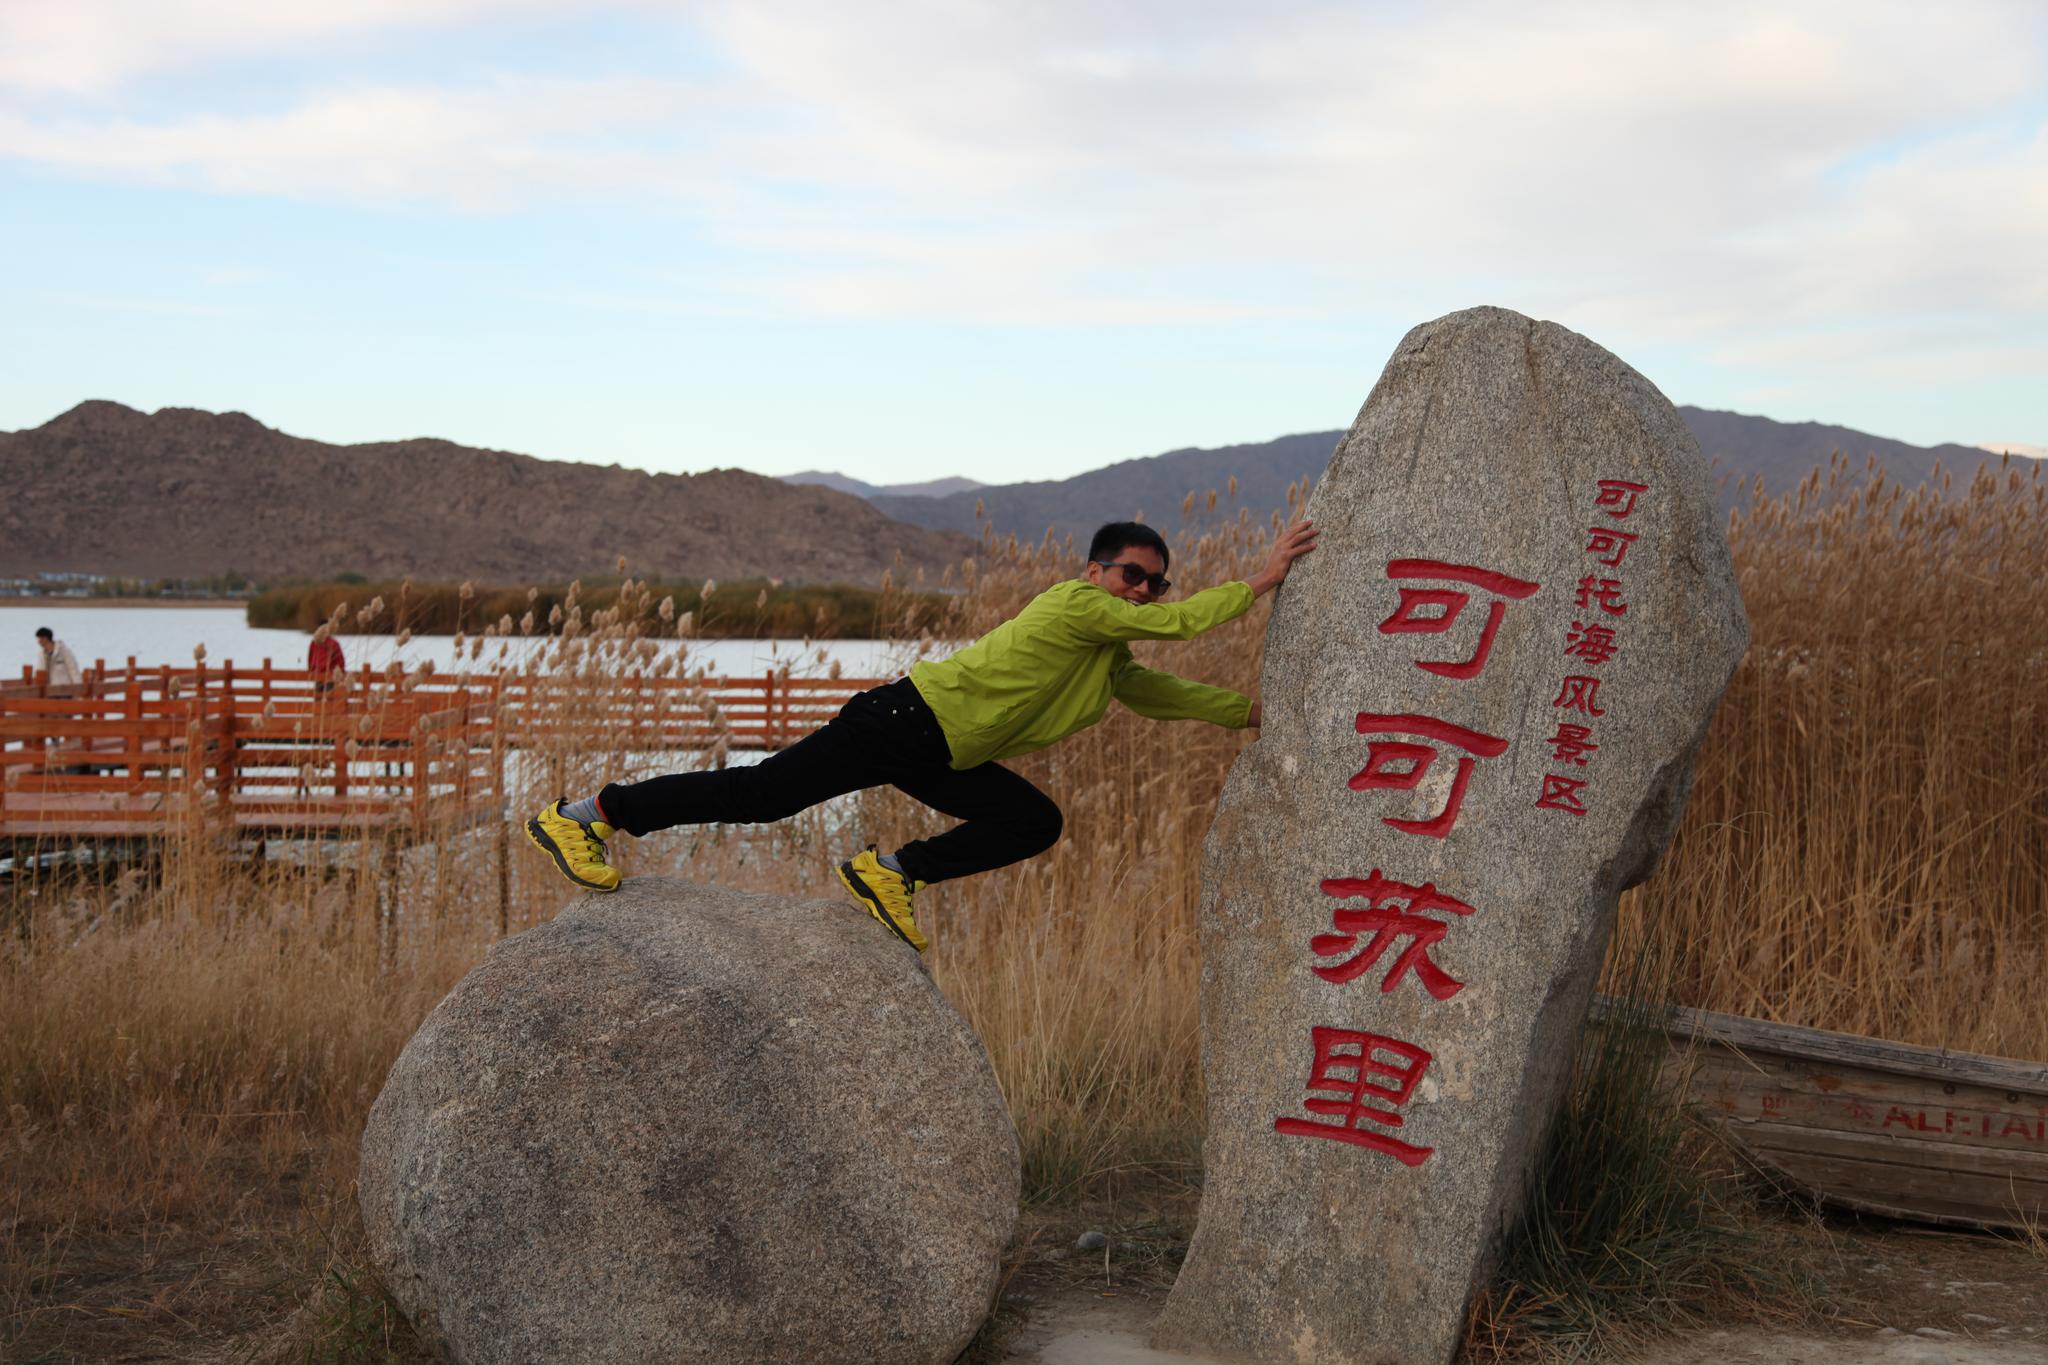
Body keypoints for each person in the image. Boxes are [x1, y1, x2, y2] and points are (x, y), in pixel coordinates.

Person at [525, 518, 1318, 950]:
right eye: (1130, 575)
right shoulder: (1073, 607)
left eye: (1154, 581)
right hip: (901, 720)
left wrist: (1261, 715)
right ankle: (584, 816)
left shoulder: (1104, 657)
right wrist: (1263, 576)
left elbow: (1164, 691)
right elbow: (1182, 628)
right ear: (1095, 574)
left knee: (1033, 820)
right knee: (759, 795)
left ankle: (892, 871)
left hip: (944, 750)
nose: (1144, 590)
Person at [34, 626, 81, 694]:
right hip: (49, 691)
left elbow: (73, 669)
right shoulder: (41, 654)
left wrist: (78, 690)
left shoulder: (63, 651)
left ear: (46, 638)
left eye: (40, 639)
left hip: (65, 691)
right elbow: (40, 671)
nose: (38, 642)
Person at [308, 627, 346, 697]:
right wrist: (340, 672)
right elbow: (340, 660)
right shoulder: (333, 643)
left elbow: (311, 659)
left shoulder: (314, 643)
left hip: (320, 674)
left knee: (318, 700)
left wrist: (311, 670)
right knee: (329, 700)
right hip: (329, 675)